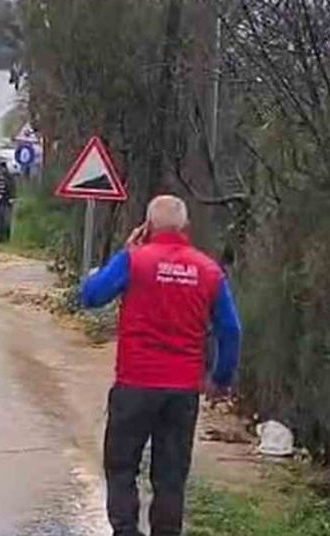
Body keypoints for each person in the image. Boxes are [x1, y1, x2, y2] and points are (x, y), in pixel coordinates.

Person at [80, 195, 242, 536]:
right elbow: (230, 331)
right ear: (186, 227)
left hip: (135, 384)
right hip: (182, 392)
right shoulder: (208, 271)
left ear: (147, 226)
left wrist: (125, 251)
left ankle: (126, 530)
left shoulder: (134, 260)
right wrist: (220, 379)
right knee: (171, 476)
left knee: (121, 466)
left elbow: (91, 296)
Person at [0, 161, 16, 242]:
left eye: (0, 168)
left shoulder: (7, 178)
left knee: (5, 220)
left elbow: (10, 189)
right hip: (2, 202)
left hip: (5, 202)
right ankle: (0, 238)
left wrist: (12, 198)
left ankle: (4, 238)